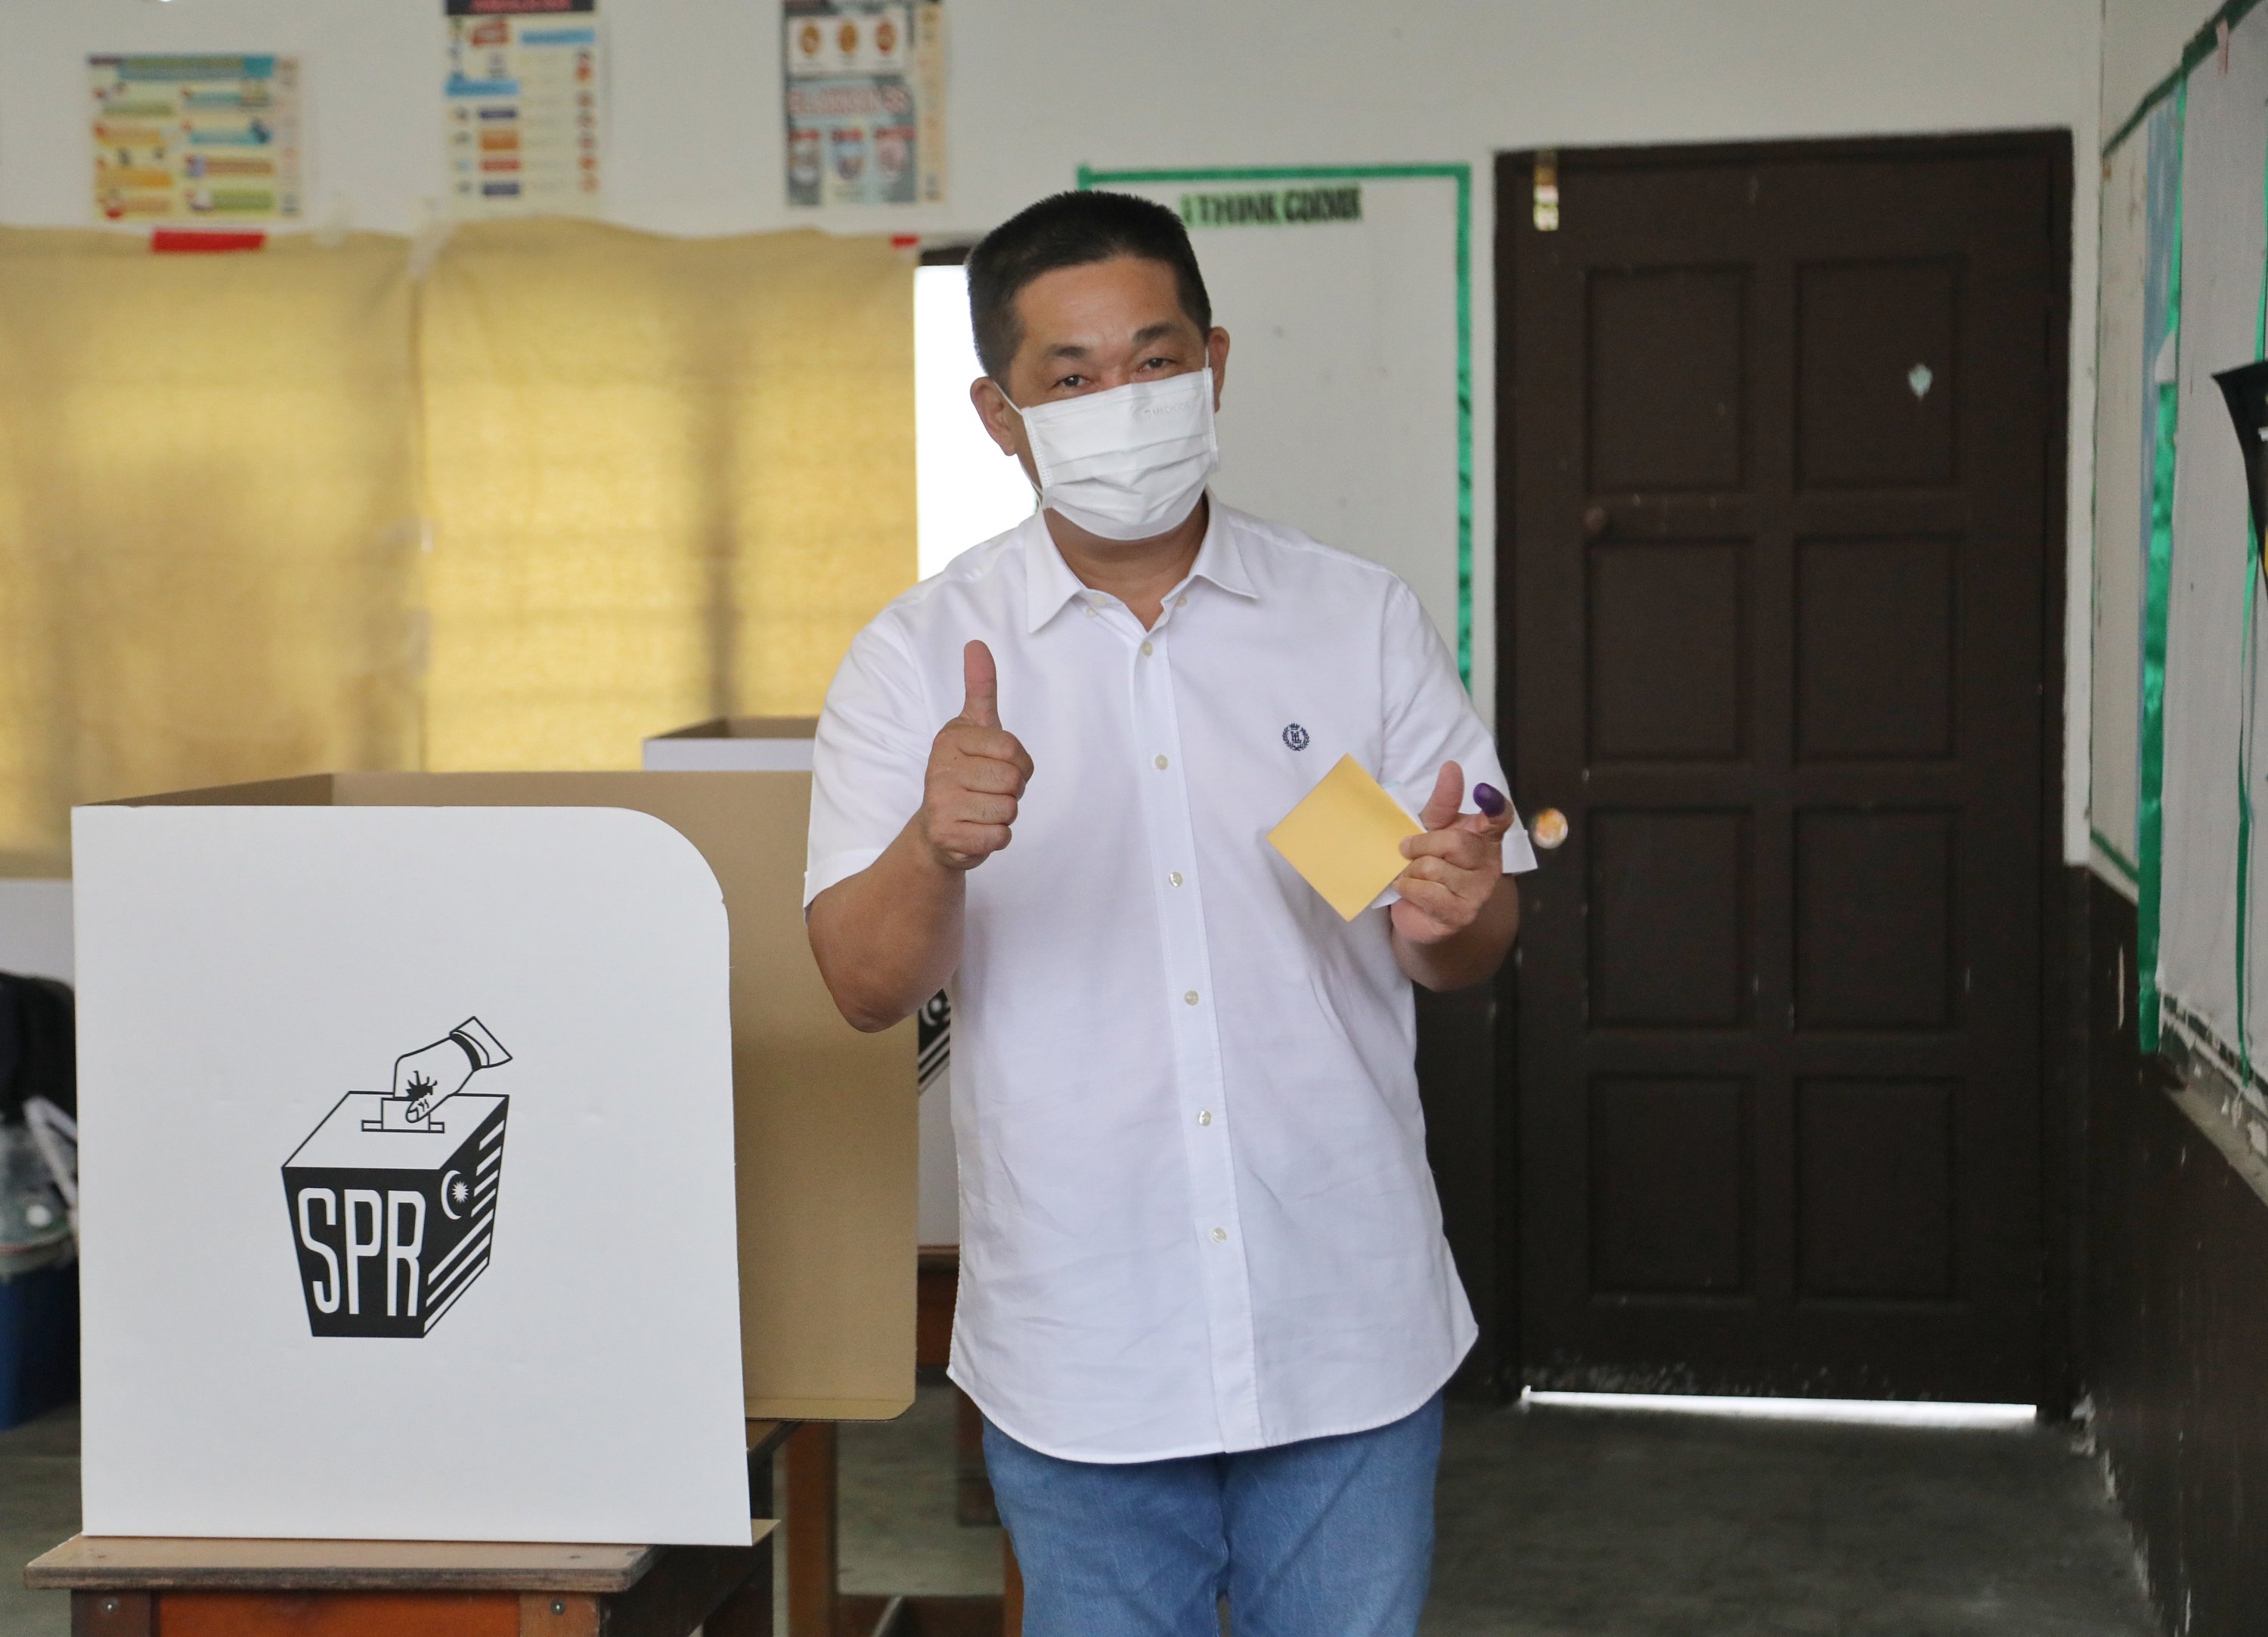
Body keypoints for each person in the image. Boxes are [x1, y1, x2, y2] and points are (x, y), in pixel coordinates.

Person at [804, 190, 1535, 1637]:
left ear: (1214, 359)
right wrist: (932, 850)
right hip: (1085, 1341)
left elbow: (1459, 944)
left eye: (1152, 359)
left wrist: (1456, 904)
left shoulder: (1353, 619)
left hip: (1344, 1317)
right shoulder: (915, 662)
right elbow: (861, 983)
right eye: (1070, 378)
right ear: (1000, 414)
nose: (1120, 402)